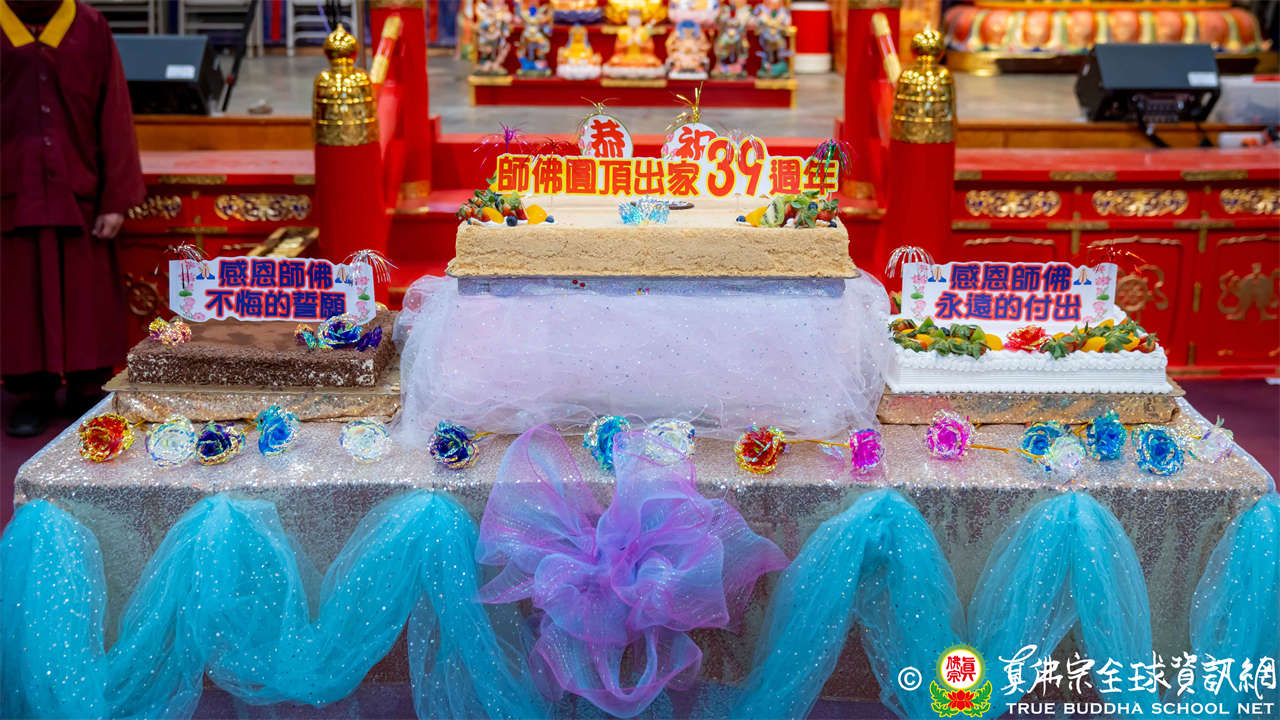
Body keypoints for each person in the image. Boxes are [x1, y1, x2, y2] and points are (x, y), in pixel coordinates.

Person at [1, 0, 144, 436]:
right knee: (20, 297)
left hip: (81, 188)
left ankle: (87, 387)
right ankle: (31, 393)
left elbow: (114, 112)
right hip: (12, 189)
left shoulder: (89, 25)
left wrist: (115, 199)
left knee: (87, 295)